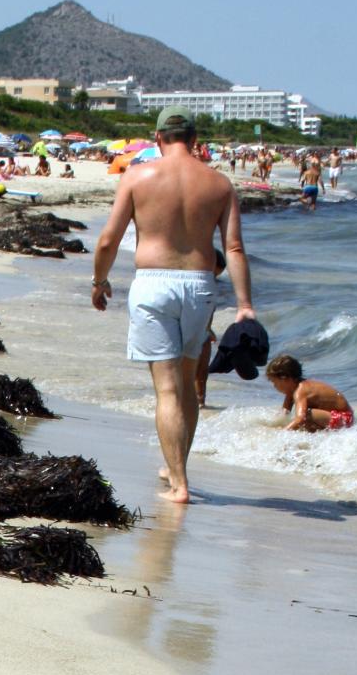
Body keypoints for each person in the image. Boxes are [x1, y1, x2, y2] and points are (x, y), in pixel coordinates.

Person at [91, 106, 256, 504]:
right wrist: (244, 304)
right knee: (186, 387)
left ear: (158, 137)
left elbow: (108, 240)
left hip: (153, 283)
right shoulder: (219, 184)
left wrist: (99, 282)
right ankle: (175, 467)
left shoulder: (138, 176)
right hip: (201, 285)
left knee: (166, 391)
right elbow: (233, 248)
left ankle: (179, 484)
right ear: (195, 139)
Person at [265, 353, 354, 431]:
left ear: (285, 378)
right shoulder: (291, 391)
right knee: (303, 425)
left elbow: (300, 418)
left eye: (274, 382)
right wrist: (273, 426)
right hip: (336, 418)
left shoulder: (301, 390)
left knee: (306, 415)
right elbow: (284, 414)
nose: (274, 386)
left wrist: (282, 434)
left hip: (344, 419)